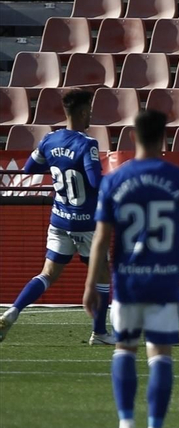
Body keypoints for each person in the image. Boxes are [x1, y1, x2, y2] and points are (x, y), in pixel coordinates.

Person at [83, 109, 179, 428]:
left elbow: (101, 238)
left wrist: (90, 284)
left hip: (127, 282)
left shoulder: (115, 179)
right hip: (163, 283)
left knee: (124, 347)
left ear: (133, 136)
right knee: (160, 354)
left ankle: (125, 427)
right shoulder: (177, 177)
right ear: (164, 138)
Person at [0, 89, 113, 345]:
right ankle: (99, 333)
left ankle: (12, 311)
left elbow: (29, 168)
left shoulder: (50, 139)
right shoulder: (87, 144)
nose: (90, 116)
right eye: (89, 112)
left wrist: (56, 163)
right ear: (82, 113)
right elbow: (95, 183)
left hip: (59, 219)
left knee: (48, 274)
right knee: (103, 275)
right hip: (86, 223)